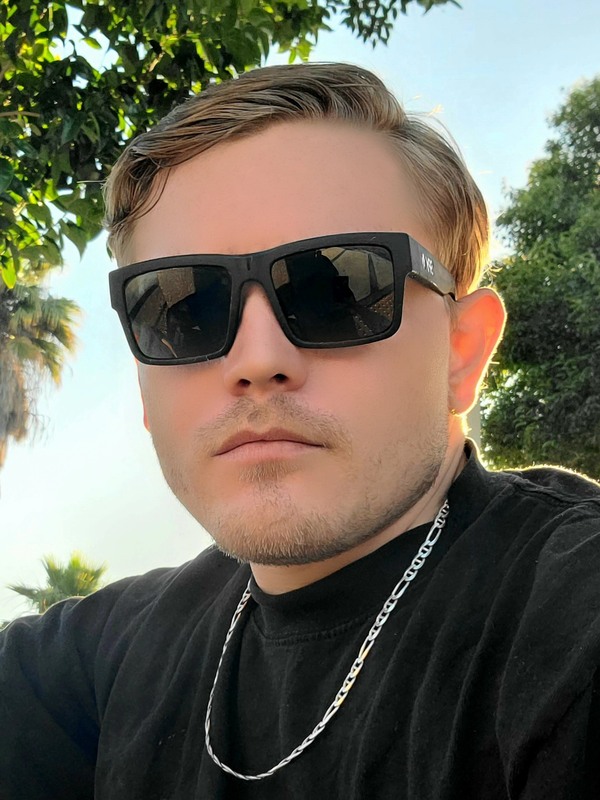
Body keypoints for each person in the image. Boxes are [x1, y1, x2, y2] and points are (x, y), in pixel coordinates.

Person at [1, 62, 600, 800]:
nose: (258, 360)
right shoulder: (90, 665)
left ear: (461, 350)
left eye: (336, 288)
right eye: (183, 309)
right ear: (146, 384)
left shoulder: (568, 616)